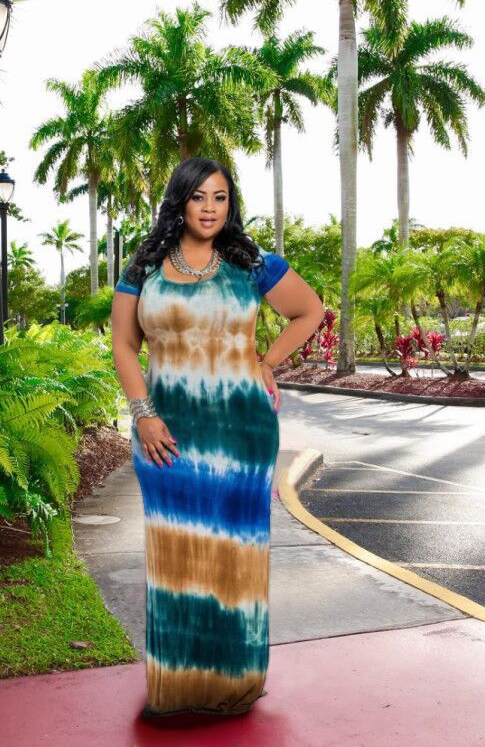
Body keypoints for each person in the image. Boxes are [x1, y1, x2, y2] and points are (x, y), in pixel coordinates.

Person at [111, 156, 325, 718]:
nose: (209, 208)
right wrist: (143, 414)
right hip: (165, 434)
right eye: (199, 197)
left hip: (242, 432)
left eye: (220, 197)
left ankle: (234, 681)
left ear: (230, 205)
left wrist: (267, 362)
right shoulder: (145, 265)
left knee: (235, 554)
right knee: (176, 554)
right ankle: (179, 685)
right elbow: (124, 346)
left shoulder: (250, 263)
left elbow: (310, 311)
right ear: (179, 202)